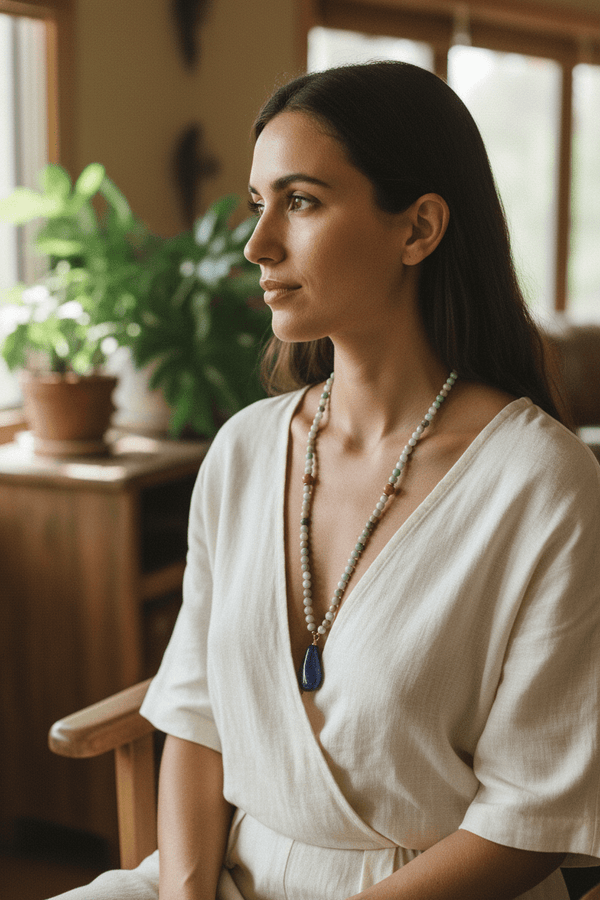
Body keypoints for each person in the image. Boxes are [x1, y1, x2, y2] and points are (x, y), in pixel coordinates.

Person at [51, 61, 600, 900]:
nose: (257, 243)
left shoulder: (543, 485)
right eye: (256, 203)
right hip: (226, 873)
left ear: (418, 229)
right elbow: (195, 718)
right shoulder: (243, 451)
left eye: (300, 202)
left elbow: (530, 821)